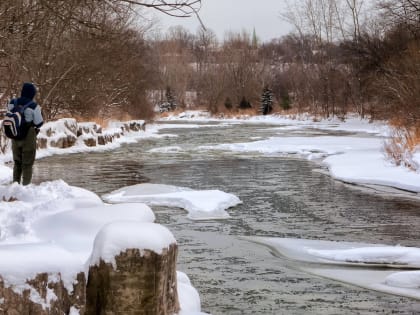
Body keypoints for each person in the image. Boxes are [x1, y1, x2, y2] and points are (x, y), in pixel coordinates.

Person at [8, 82, 43, 185]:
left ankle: (15, 186)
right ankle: (26, 187)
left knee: (17, 163)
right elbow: (39, 123)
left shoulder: (12, 102)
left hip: (15, 135)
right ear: (32, 94)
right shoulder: (34, 106)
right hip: (28, 136)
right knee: (27, 164)